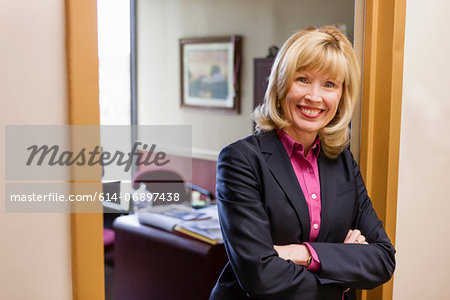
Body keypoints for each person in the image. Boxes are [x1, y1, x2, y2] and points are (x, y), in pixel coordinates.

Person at [209, 26, 395, 300]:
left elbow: (382, 259)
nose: (314, 96)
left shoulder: (343, 162)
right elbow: (260, 278)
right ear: (282, 84)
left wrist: (303, 254)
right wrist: (342, 277)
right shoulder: (241, 161)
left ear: (342, 95)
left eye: (329, 84)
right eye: (303, 79)